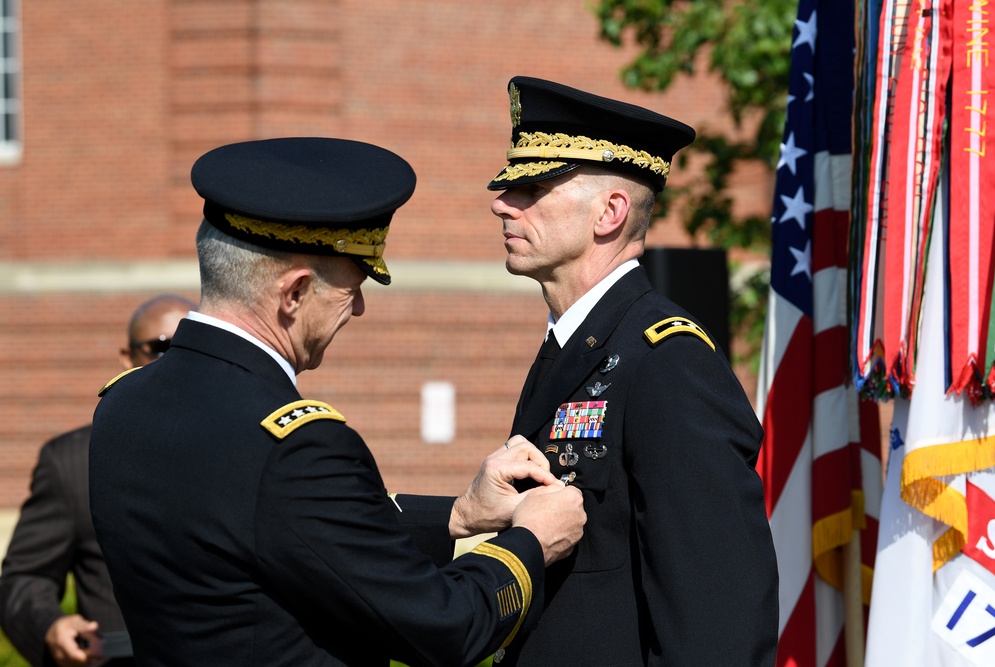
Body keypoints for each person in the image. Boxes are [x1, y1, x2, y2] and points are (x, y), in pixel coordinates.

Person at [88, 137, 586, 667]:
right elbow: (445, 625)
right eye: (352, 287)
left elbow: (272, 531)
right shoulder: (294, 445)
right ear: (294, 293)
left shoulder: (123, 403)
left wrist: (461, 515)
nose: (362, 307)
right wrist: (533, 539)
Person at [486, 76, 779, 665]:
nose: (502, 202)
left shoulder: (666, 363)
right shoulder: (575, 347)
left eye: (532, 187)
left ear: (610, 213)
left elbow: (718, 621)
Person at [0, 293, 196, 667]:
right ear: (127, 358)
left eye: (189, 348)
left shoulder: (249, 446)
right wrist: (50, 625)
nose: (173, 362)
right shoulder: (72, 461)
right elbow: (25, 577)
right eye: (160, 347)